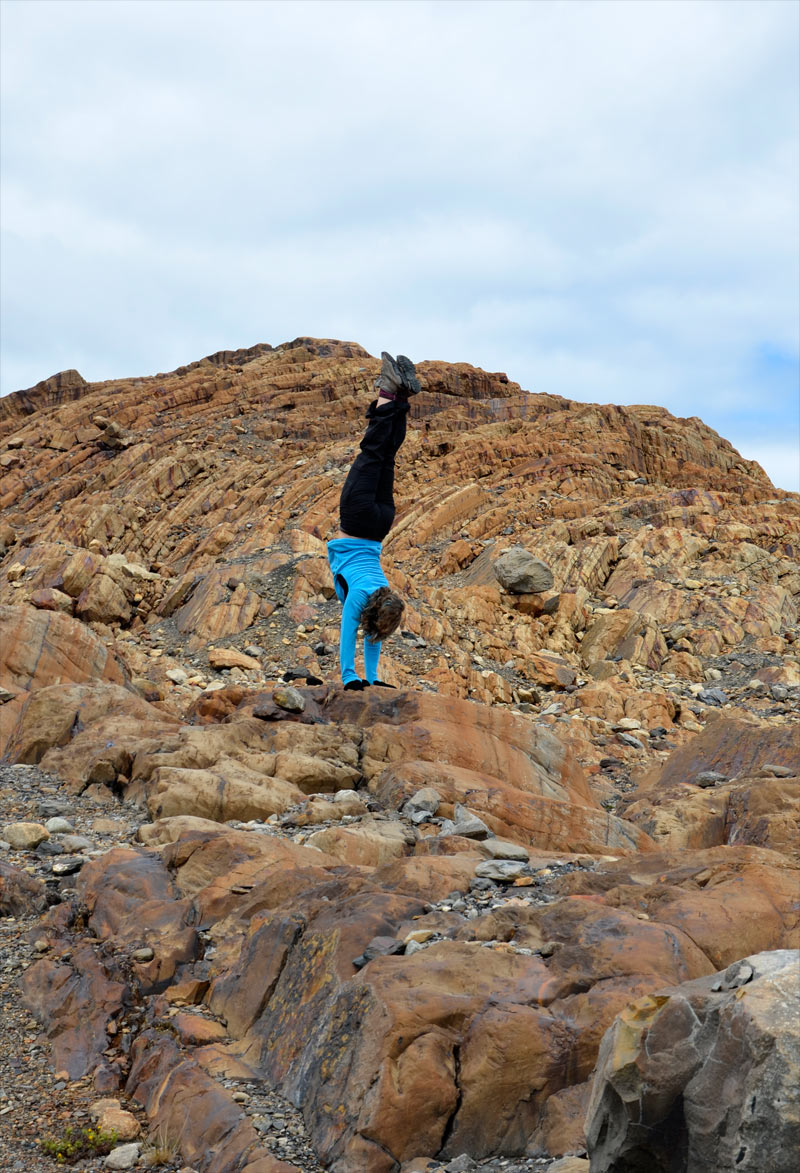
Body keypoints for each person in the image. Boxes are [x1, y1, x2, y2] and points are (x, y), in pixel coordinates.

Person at [327, 352, 421, 691]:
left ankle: (399, 398)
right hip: (357, 519)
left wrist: (372, 679)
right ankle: (387, 390)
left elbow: (370, 630)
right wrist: (356, 678)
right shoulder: (363, 600)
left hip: (381, 524)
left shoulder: (382, 593)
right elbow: (352, 635)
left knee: (385, 457)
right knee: (372, 452)